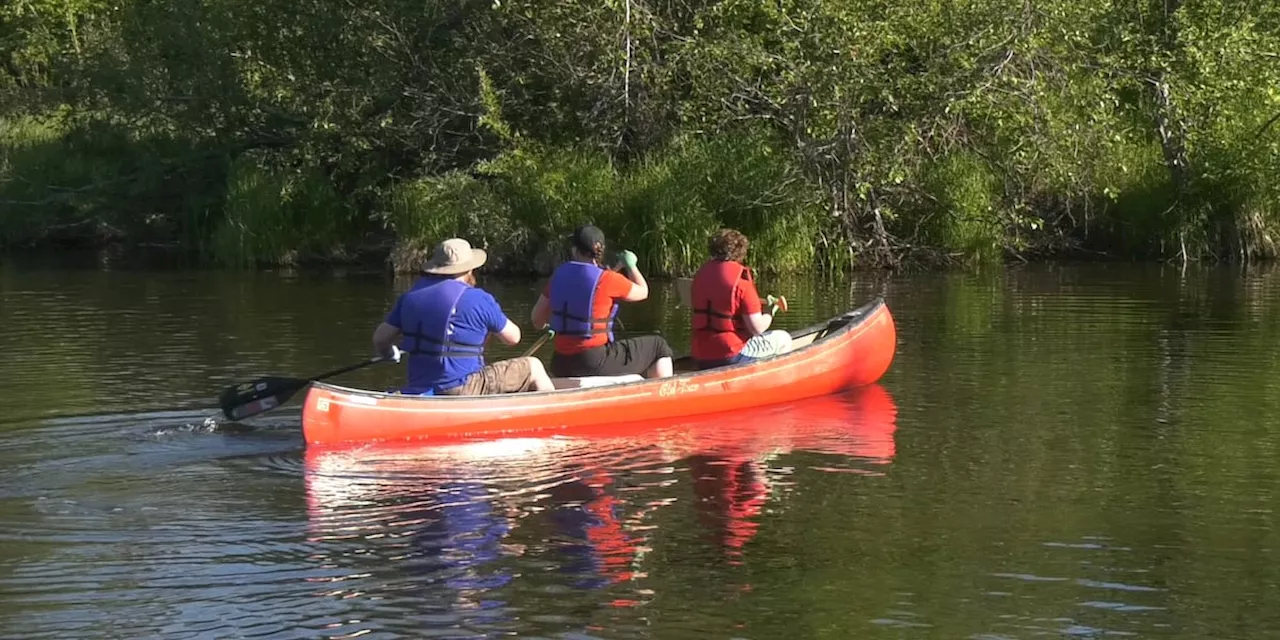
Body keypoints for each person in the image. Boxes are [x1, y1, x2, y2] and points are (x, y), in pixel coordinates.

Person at [372, 238, 555, 396]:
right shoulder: (478, 298)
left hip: (418, 386)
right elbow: (513, 338)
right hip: (462, 388)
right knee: (534, 367)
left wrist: (390, 353)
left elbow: (380, 339)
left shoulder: (410, 297)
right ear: (469, 270)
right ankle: (553, 418)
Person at [531, 225, 674, 379]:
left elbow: (537, 320)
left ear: (574, 250)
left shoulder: (557, 276)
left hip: (560, 363)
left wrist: (555, 325)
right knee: (659, 346)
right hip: (594, 362)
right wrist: (631, 267)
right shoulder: (608, 278)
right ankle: (660, 398)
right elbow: (643, 292)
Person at [690, 228, 792, 370]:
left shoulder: (700, 276)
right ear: (740, 252)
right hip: (730, 354)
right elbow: (757, 329)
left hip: (700, 354)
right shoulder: (742, 282)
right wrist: (769, 312)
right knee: (783, 338)